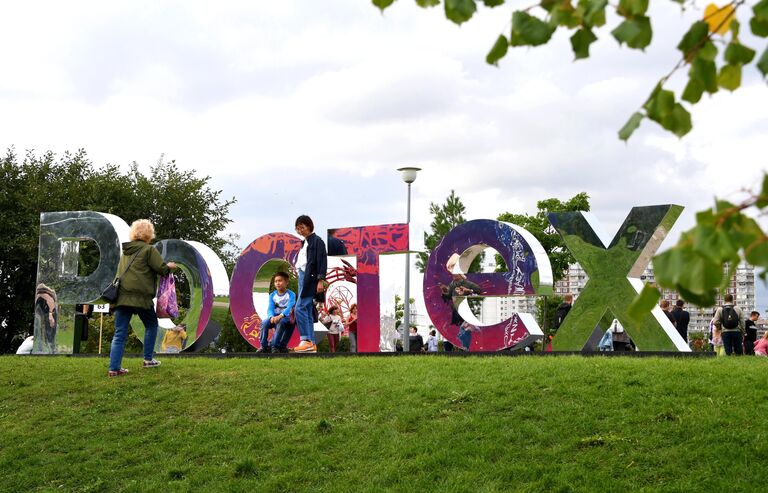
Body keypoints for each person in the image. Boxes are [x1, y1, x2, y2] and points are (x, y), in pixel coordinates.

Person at [109, 219, 177, 377]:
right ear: (149, 234)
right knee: (151, 325)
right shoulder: (149, 250)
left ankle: (114, 368)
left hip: (122, 297)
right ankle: (148, 359)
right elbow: (161, 269)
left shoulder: (126, 251)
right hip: (140, 297)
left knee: (119, 333)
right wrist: (170, 267)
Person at [293, 215, 327, 353]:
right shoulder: (305, 242)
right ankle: (311, 343)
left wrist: (320, 280)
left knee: (299, 308)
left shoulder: (317, 241)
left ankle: (306, 339)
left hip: (310, 278)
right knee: (306, 309)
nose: (300, 230)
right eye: (298, 228)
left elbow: (322, 261)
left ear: (309, 226)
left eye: (302, 227)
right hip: (303, 276)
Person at [256, 271, 296, 354]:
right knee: (264, 323)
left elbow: (289, 307)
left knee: (280, 323)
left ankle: (274, 346)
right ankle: (263, 346)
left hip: (286, 317)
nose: (278, 283)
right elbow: (270, 308)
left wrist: (280, 316)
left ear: (286, 282)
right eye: (276, 281)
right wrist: (271, 317)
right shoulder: (272, 295)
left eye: (280, 281)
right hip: (274, 317)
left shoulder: (291, 294)